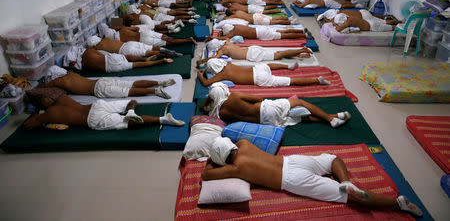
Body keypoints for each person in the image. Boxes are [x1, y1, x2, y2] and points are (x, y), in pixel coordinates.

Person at [201, 137, 422, 218]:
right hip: (293, 160)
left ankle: (398, 203)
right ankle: (345, 180)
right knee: (333, 159)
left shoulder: (237, 168)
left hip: (291, 178)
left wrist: (211, 161)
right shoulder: (244, 144)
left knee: (347, 198)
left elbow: (207, 175)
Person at [201, 82, 350, 128]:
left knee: (301, 118)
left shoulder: (221, 114)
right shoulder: (233, 97)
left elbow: (203, 107)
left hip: (266, 122)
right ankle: (331, 120)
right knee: (299, 102)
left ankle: (335, 117)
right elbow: (258, 98)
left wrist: (208, 102)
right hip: (266, 110)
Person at [23, 96, 185, 130]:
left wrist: (37, 119)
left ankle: (163, 119)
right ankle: (130, 111)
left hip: (93, 119)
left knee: (127, 122)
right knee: (132, 102)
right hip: (97, 106)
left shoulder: (51, 114)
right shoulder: (62, 99)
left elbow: (27, 126)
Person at [41, 65, 175, 99]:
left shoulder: (60, 82)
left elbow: (44, 87)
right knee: (131, 83)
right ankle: (160, 82)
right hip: (101, 81)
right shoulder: (70, 73)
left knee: (127, 92)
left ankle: (155, 91)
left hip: (98, 89)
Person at [197, 59, 330, 88]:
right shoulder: (227, 64)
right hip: (258, 70)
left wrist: (200, 75)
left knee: (290, 81)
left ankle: (318, 80)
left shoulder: (222, 74)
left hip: (259, 78)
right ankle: (288, 66)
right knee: (267, 65)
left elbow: (206, 83)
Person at [197, 38, 312, 66]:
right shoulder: (226, 42)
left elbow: (215, 58)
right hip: (253, 49)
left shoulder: (223, 50)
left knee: (279, 55)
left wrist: (203, 60)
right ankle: (300, 54)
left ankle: (301, 49)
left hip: (253, 54)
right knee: (278, 54)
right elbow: (221, 39)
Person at [63, 45, 173, 73]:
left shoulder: (91, 51)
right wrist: (146, 60)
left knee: (145, 50)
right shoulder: (91, 51)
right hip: (114, 57)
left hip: (116, 54)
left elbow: (135, 62)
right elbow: (132, 61)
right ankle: (161, 51)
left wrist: (158, 61)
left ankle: (161, 52)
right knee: (145, 49)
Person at [98, 23, 197, 47]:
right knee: (165, 37)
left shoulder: (117, 42)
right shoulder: (123, 29)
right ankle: (184, 37)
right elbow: (136, 28)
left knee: (169, 43)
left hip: (143, 41)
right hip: (144, 34)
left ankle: (188, 39)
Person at [86, 36, 182, 58]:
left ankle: (167, 54)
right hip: (128, 43)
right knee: (151, 47)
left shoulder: (98, 47)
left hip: (124, 50)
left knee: (147, 53)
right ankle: (164, 49)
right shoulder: (106, 38)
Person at [317, 9, 402, 33]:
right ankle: (401, 21)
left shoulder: (348, 22)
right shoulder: (343, 14)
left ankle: (408, 28)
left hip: (373, 26)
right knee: (384, 21)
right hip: (363, 13)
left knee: (393, 28)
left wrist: (335, 24)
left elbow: (339, 29)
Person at [214, 24, 306, 40]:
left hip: (261, 34)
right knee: (282, 31)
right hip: (260, 29)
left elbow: (225, 38)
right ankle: (301, 30)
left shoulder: (233, 32)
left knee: (284, 35)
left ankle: (304, 35)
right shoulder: (235, 26)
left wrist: (216, 37)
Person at [224, 9, 292, 25]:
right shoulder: (238, 11)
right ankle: (288, 18)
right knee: (274, 18)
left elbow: (226, 19)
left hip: (256, 20)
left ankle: (290, 22)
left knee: (275, 22)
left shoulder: (234, 16)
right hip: (256, 15)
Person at [293, 0, 360, 9]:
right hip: (326, 0)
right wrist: (297, 2)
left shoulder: (307, 1)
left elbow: (301, 6)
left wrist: (295, 3)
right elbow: (302, 4)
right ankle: (352, 3)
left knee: (341, 6)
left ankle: (355, 6)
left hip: (327, 3)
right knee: (340, 3)